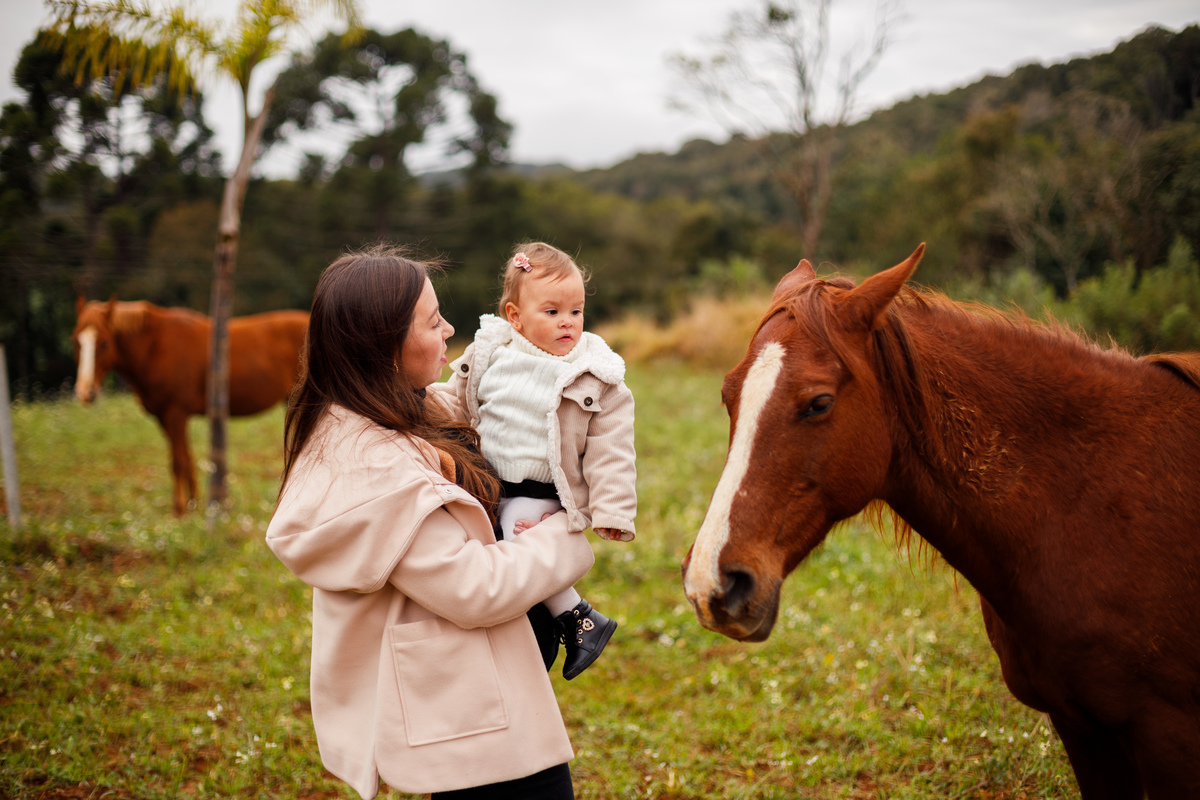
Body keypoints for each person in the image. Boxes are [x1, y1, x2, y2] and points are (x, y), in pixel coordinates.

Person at [266, 246, 595, 800]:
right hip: (470, 720)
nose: (447, 328)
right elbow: (474, 588)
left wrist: (514, 361)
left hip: (474, 696)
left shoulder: (397, 410)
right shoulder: (373, 468)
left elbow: (469, 406)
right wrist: (569, 531)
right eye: (430, 320)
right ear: (383, 344)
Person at [435, 241, 636, 681]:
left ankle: (578, 619)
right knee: (488, 545)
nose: (568, 322)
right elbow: (455, 400)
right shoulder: (491, 355)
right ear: (515, 316)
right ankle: (547, 630)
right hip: (491, 487)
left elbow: (612, 451)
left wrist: (613, 510)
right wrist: (409, 404)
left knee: (515, 537)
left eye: (576, 311)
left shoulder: (594, 375)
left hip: (544, 491)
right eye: (552, 312)